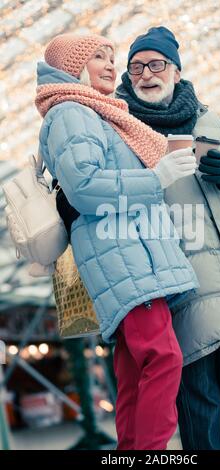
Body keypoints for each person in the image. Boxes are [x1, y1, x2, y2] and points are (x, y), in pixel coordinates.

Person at [115, 26, 220, 450]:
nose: (146, 74)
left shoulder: (212, 122)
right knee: (202, 426)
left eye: (156, 64)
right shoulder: (120, 129)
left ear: (176, 71)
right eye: (136, 67)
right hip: (182, 303)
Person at [35, 33, 199, 450]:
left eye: (112, 57)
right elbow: (84, 187)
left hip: (129, 258)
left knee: (133, 375)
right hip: (126, 260)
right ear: (73, 68)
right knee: (163, 358)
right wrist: (156, 178)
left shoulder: (99, 113)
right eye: (97, 57)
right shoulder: (73, 112)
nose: (111, 66)